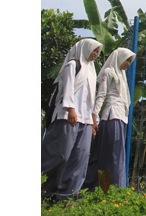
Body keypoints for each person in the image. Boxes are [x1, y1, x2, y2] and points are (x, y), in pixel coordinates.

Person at [41, 38, 102, 202]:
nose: (95, 54)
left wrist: (93, 120)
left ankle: (69, 195)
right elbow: (67, 89)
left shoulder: (91, 69)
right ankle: (44, 188)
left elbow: (91, 96)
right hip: (68, 116)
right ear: (85, 48)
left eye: (98, 52)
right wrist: (71, 109)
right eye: (93, 50)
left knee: (80, 158)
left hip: (85, 119)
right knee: (60, 155)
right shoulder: (73, 65)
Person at [83, 47, 136, 191]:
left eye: (130, 61)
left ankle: (115, 188)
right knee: (110, 155)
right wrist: (94, 116)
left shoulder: (122, 75)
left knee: (117, 155)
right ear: (119, 58)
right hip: (111, 116)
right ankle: (103, 188)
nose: (128, 64)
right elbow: (101, 95)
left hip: (121, 118)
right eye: (127, 60)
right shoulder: (109, 72)